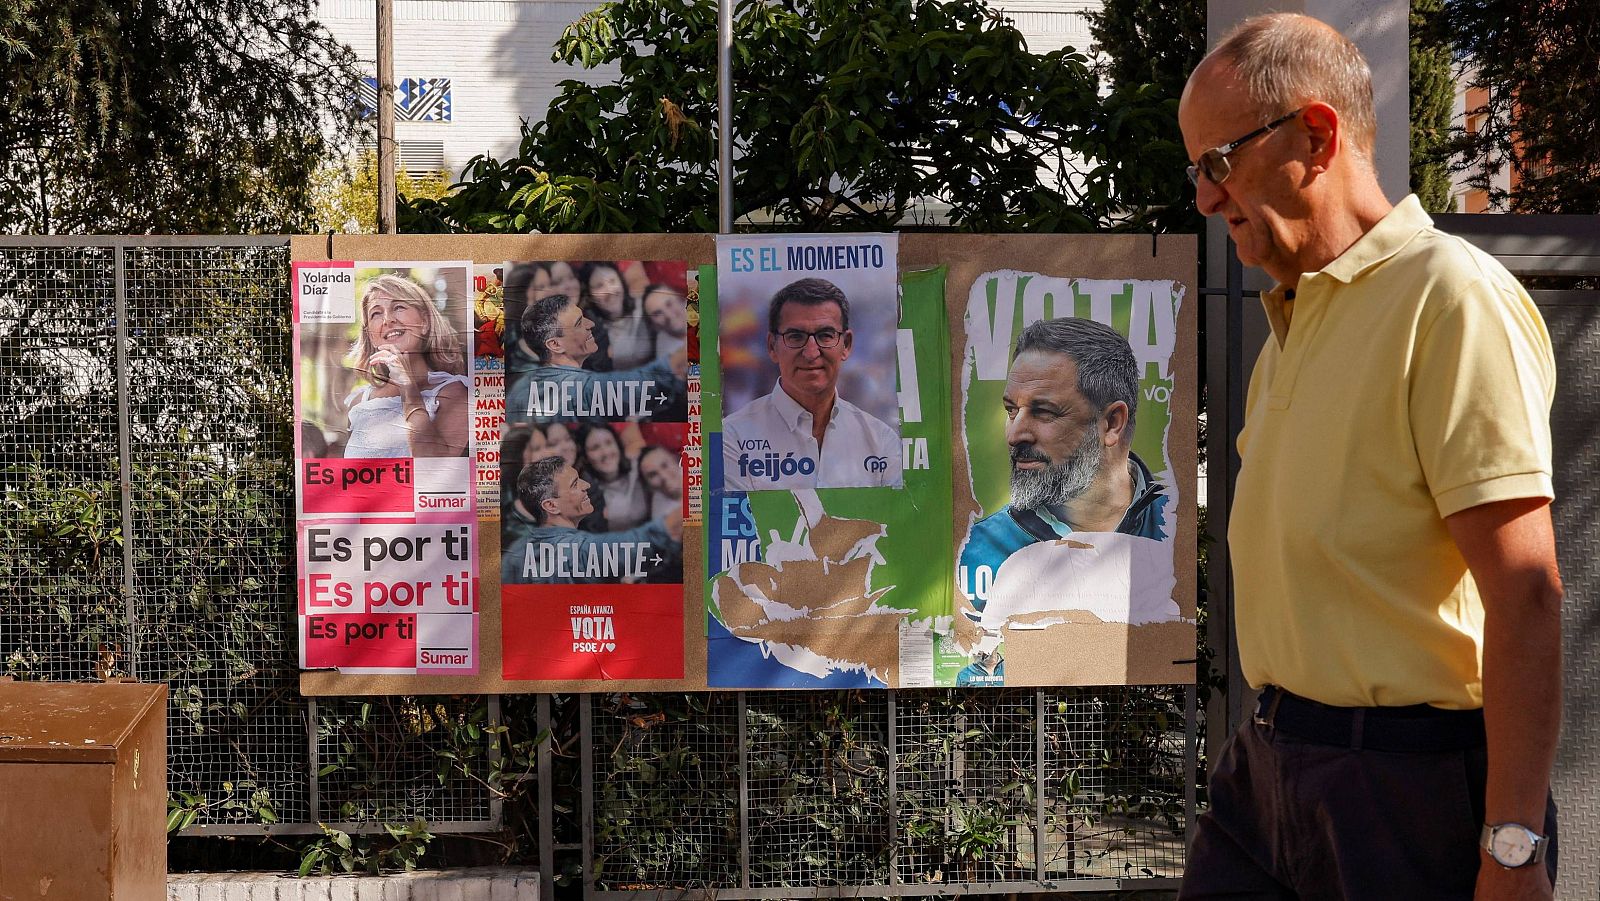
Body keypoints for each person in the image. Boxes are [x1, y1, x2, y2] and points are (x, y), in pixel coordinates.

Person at [1177, 14, 1560, 899]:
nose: (1204, 197)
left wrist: (1512, 848)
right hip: (1267, 767)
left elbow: (1527, 593)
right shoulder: (1291, 324)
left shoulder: (1449, 297)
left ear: (1315, 135)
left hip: (1402, 788)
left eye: (1216, 161)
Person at [958, 316, 1167, 618]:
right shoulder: (976, 552)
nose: (1015, 434)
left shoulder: (1175, 530)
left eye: (1043, 412)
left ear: (1112, 423)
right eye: (1011, 410)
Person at [721, 277, 901, 490]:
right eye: (796, 336)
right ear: (772, 346)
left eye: (825, 335)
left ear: (847, 345)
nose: (811, 352)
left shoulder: (881, 441)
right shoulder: (732, 439)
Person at [504, 293, 686, 427]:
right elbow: (652, 377)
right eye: (578, 323)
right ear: (555, 345)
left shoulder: (520, 388)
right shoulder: (582, 388)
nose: (590, 324)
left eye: (583, 317)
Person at [342, 273, 469, 458]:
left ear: (424, 322)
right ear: (371, 335)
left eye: (398, 307)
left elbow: (433, 467)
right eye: (376, 313)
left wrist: (409, 389)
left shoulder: (454, 392)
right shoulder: (359, 401)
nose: (388, 320)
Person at [501, 456, 682, 585]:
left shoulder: (513, 554)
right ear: (551, 506)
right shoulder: (581, 551)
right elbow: (657, 535)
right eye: (574, 484)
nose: (586, 485)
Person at [577, 423, 649, 531]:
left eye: (609, 443)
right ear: (585, 457)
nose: (605, 452)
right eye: (595, 448)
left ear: (618, 445)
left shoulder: (639, 468)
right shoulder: (586, 492)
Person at [583, 262, 655, 370]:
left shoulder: (644, 308)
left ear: (621, 282)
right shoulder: (592, 331)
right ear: (590, 296)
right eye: (599, 286)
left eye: (612, 281)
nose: (610, 291)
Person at [642, 283, 689, 364]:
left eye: (669, 304)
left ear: (680, 299)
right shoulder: (666, 359)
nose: (669, 315)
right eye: (657, 313)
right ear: (654, 325)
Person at [638, 444, 683, 520]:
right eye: (653, 475)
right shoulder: (661, 517)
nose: (664, 476)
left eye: (665, 465)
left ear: (676, 461)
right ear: (648, 486)